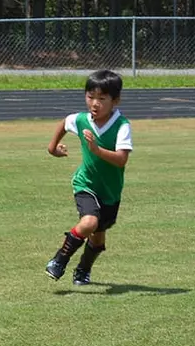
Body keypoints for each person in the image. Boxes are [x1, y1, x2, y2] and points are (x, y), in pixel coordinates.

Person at [45, 69, 133, 285]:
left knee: (98, 239)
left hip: (110, 192)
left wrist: (96, 149)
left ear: (115, 100)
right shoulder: (82, 119)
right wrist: (52, 147)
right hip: (85, 184)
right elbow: (65, 123)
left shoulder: (122, 126)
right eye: (90, 97)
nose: (95, 103)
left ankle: (83, 270)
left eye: (102, 99)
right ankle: (59, 260)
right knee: (89, 222)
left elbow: (121, 159)